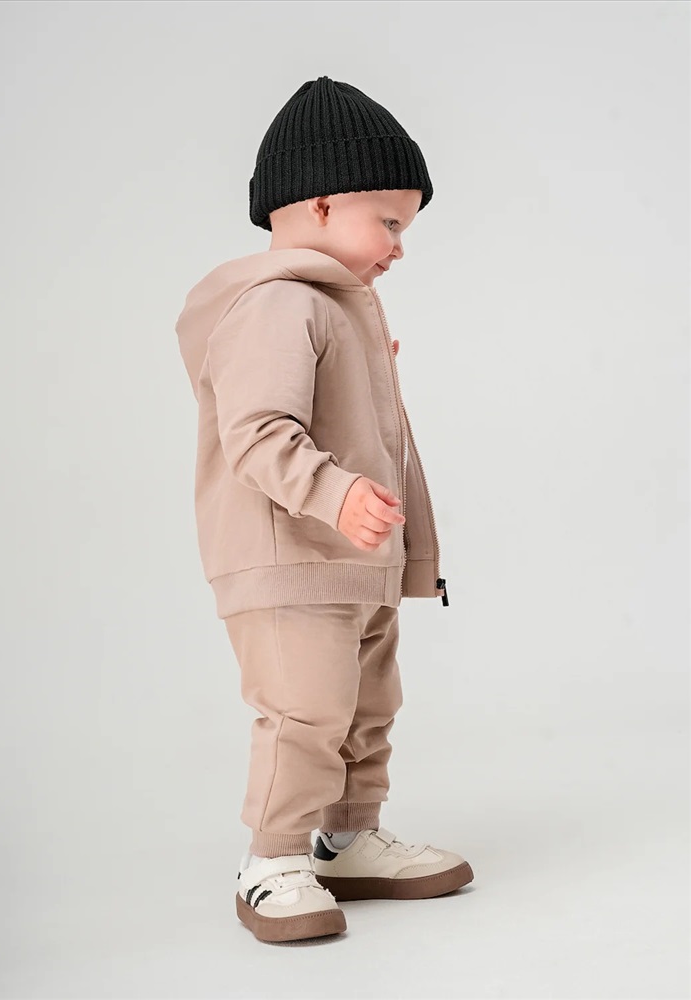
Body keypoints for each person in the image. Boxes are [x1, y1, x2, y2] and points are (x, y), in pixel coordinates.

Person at [174, 75, 473, 944]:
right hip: (292, 559)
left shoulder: (336, 308)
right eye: (390, 224)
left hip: (354, 558)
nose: (399, 249)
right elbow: (258, 432)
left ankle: (347, 839)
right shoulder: (276, 302)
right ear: (320, 202)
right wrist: (337, 493)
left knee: (367, 708)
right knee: (306, 711)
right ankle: (271, 861)